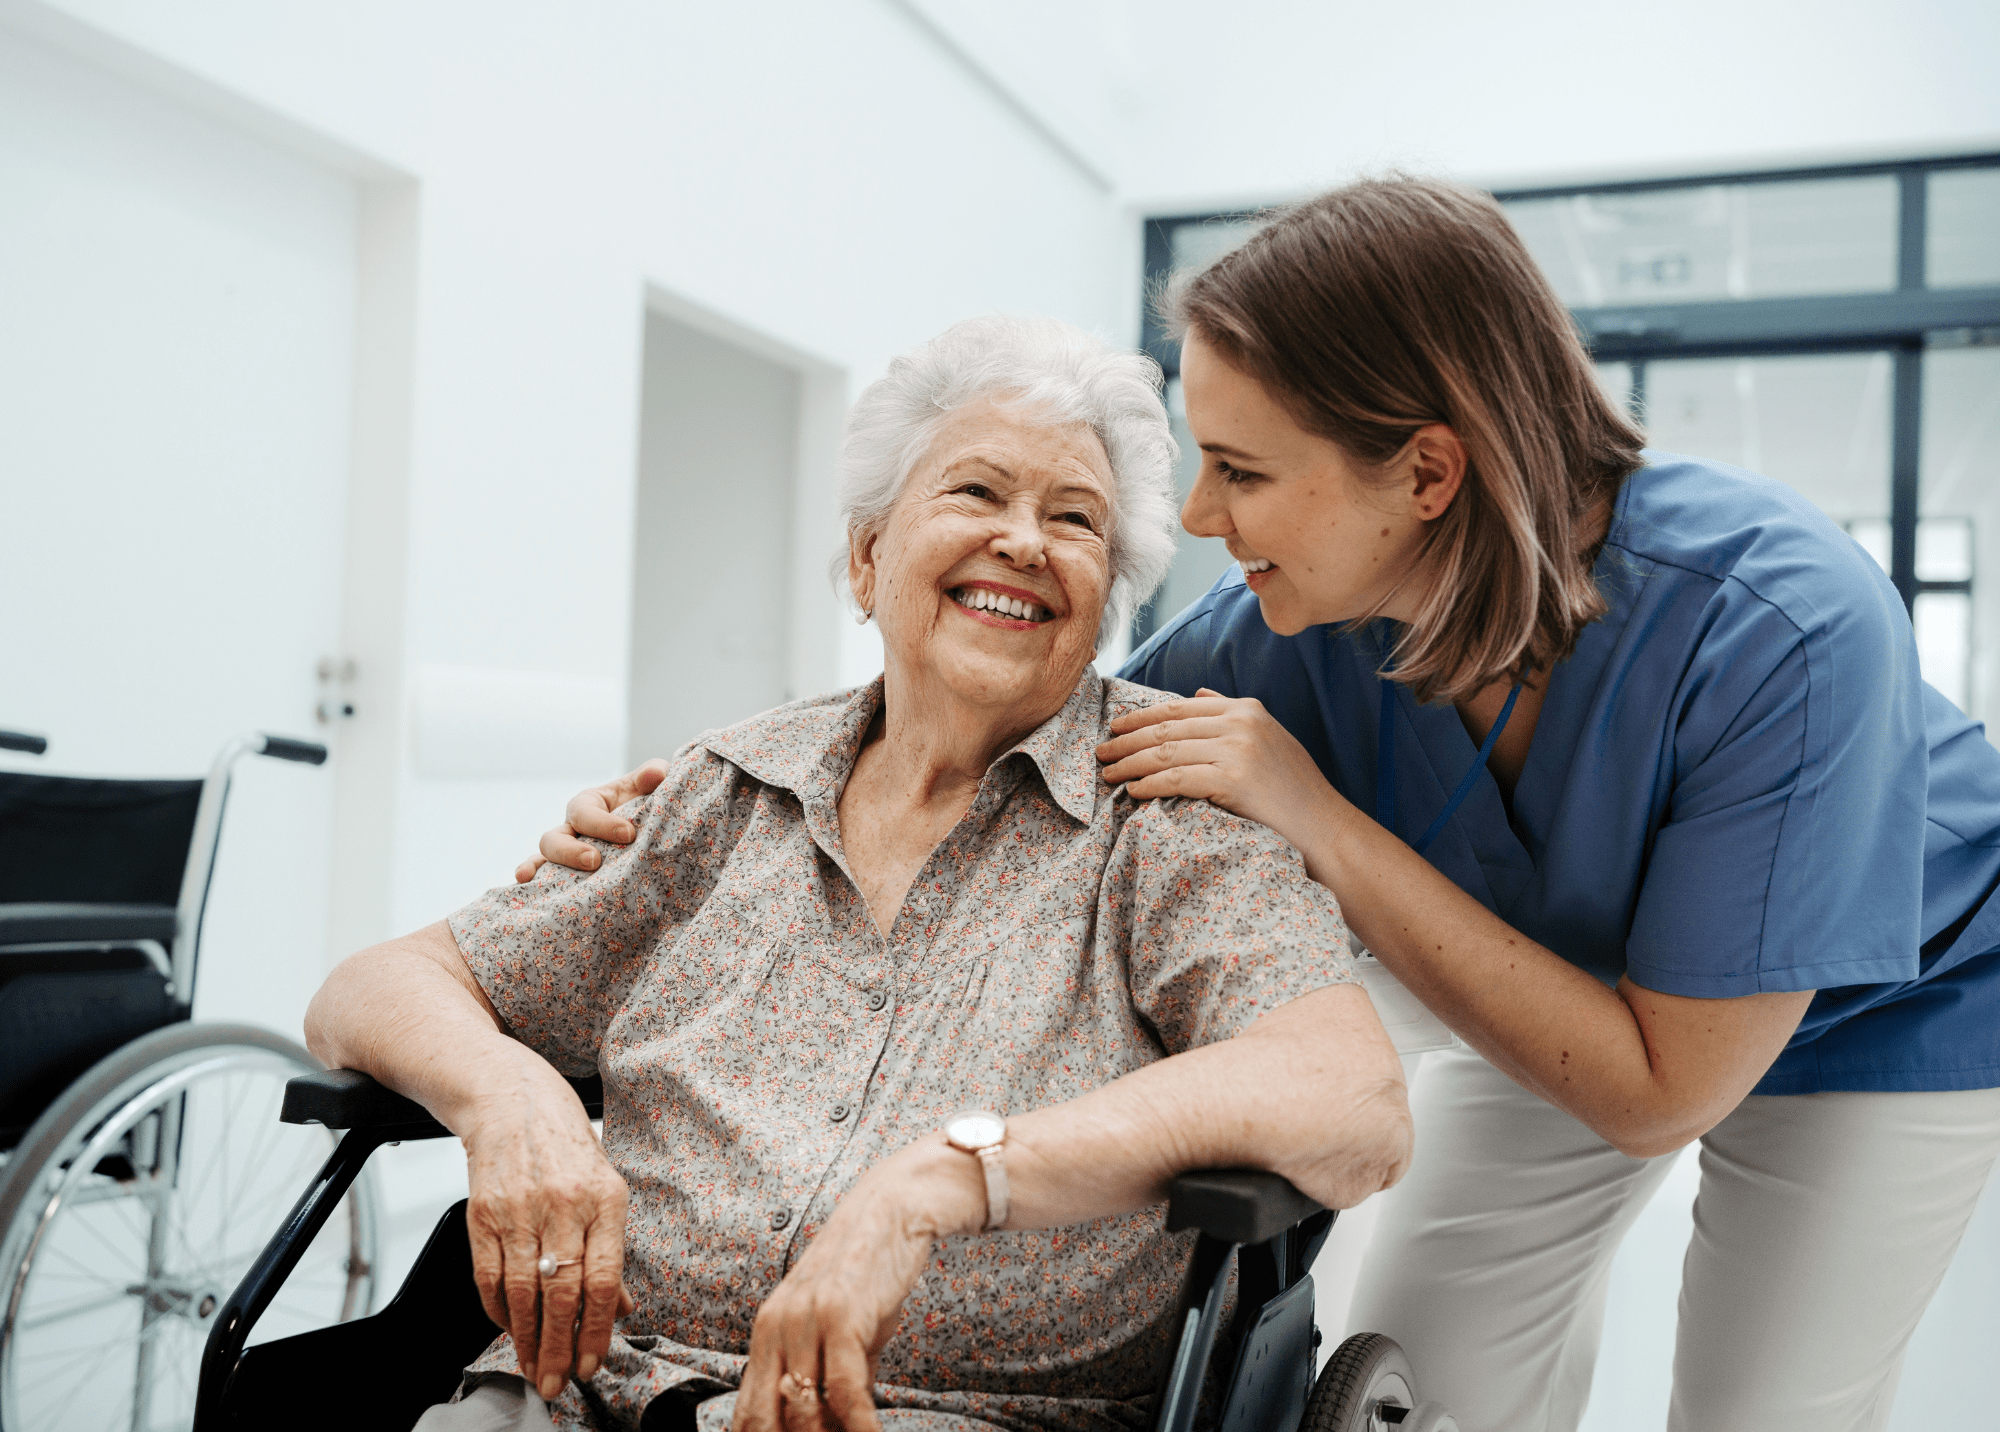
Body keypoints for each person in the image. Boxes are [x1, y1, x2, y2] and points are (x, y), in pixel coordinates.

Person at [543, 185, 2000, 1432]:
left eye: (1240, 471)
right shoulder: (1280, 625)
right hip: (1562, 986)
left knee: (1766, 1407)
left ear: (1426, 471)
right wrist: (713, 797)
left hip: (1879, 1004)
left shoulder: (1784, 626)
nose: (1190, 521)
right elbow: (1026, 704)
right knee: (1434, 1372)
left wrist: (1318, 815)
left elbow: (1657, 1091)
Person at [308, 315, 1412, 1432]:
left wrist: (943, 1179)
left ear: (1104, 600)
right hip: (588, 1392)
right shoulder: (726, 790)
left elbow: (1351, 1097)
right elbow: (372, 987)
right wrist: (508, 1098)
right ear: (866, 558)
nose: (1024, 541)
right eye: (976, 494)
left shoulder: (1165, 814)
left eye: (1072, 518)